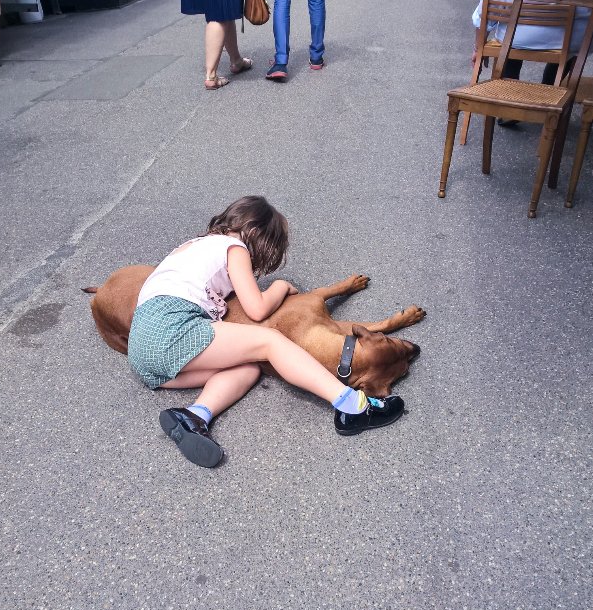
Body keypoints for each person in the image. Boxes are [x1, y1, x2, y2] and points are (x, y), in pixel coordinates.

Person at [127, 196, 406, 468]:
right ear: (256, 235)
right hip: (171, 329)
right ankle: (353, 407)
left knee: (249, 366)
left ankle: (194, 416)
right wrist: (280, 286)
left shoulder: (191, 246)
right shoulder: (234, 248)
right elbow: (257, 309)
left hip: (142, 352)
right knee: (270, 342)